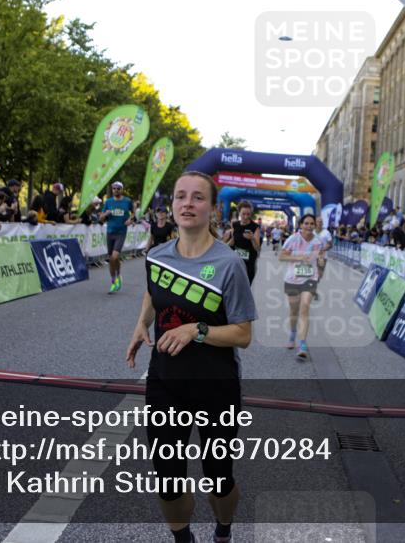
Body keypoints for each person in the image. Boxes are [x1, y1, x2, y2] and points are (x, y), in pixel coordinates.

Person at [126, 171, 256, 543]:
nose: (187, 203)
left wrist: (194, 330)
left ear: (213, 208)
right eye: (181, 196)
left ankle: (224, 530)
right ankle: (183, 539)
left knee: (219, 476)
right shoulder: (156, 256)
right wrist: (141, 325)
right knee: (167, 477)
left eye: (198, 197)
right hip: (165, 383)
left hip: (216, 386)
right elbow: (154, 292)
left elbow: (243, 335)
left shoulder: (230, 264)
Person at [278, 213, 324, 360]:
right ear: (301, 225)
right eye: (306, 223)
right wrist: (298, 257)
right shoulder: (293, 239)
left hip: (310, 279)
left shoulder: (318, 242)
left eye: (312, 224)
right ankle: (292, 333)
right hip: (292, 279)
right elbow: (281, 256)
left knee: (305, 308)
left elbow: (321, 260)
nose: (309, 226)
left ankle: (302, 344)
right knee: (294, 310)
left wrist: (321, 266)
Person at [101, 181, 134, 293]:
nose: (116, 190)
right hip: (110, 232)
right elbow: (101, 218)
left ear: (122, 189)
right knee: (111, 259)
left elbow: (134, 214)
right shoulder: (108, 202)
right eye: (114, 188)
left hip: (121, 232)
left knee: (115, 257)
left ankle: (118, 276)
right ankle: (114, 281)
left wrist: (131, 220)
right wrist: (105, 214)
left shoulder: (127, 201)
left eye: (118, 188)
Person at [223, 201, 261, 284]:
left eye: (248, 214)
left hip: (248, 265)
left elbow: (258, 248)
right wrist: (229, 242)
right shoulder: (235, 225)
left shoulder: (255, 227)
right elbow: (231, 243)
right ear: (239, 212)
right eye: (243, 214)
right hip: (234, 263)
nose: (246, 216)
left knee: (244, 291)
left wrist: (252, 239)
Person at [313, 215, 333, 300]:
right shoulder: (311, 232)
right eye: (318, 221)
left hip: (322, 256)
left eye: (321, 221)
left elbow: (330, 244)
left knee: (319, 275)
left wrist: (323, 249)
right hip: (312, 256)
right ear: (315, 223)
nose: (320, 223)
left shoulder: (326, 232)